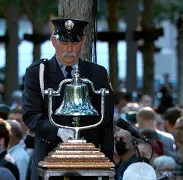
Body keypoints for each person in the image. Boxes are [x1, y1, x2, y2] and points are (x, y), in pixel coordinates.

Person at [22, 18, 114, 180]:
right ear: (53, 41)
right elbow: (31, 114)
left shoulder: (97, 73)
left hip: (89, 160)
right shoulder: (38, 73)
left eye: (74, 43)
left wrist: (107, 165)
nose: (70, 49)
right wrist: (57, 130)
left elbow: (106, 122)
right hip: (48, 154)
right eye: (64, 43)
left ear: (83, 41)